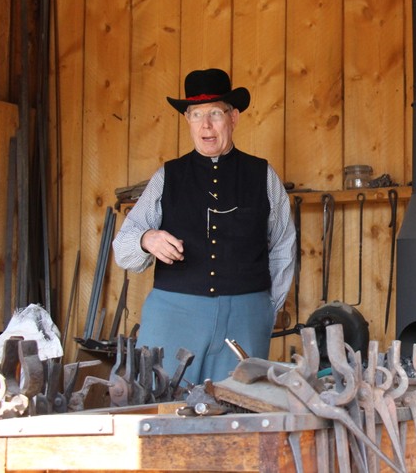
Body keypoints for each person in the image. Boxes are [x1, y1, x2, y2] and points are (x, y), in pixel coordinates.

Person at [112, 68, 296, 385]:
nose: (206, 125)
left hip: (245, 316)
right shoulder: (166, 177)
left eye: (214, 114)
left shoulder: (263, 175)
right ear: (188, 121)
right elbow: (123, 248)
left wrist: (266, 307)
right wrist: (147, 239)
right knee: (157, 407)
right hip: (174, 315)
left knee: (240, 408)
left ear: (233, 118)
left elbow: (283, 246)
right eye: (196, 115)